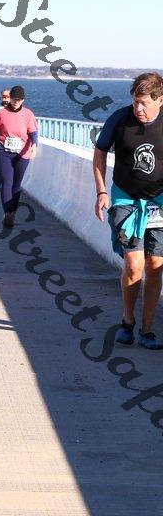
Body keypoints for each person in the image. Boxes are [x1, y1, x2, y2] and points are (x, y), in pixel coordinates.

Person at [93, 72, 163, 350]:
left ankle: (147, 330)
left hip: (159, 202)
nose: (138, 108)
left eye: (144, 103)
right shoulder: (119, 119)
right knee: (134, 264)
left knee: (155, 266)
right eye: (135, 101)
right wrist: (101, 191)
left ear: (160, 100)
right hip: (125, 199)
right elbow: (99, 152)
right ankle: (127, 321)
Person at [0, 85, 38, 227]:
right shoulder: (1, 113)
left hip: (22, 154)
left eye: (19, 99)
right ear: (9, 98)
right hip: (4, 152)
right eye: (14, 99)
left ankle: (13, 212)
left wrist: (35, 145)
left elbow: (33, 132)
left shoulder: (28, 114)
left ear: (23, 100)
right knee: (7, 182)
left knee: (16, 185)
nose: (16, 102)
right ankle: (7, 214)